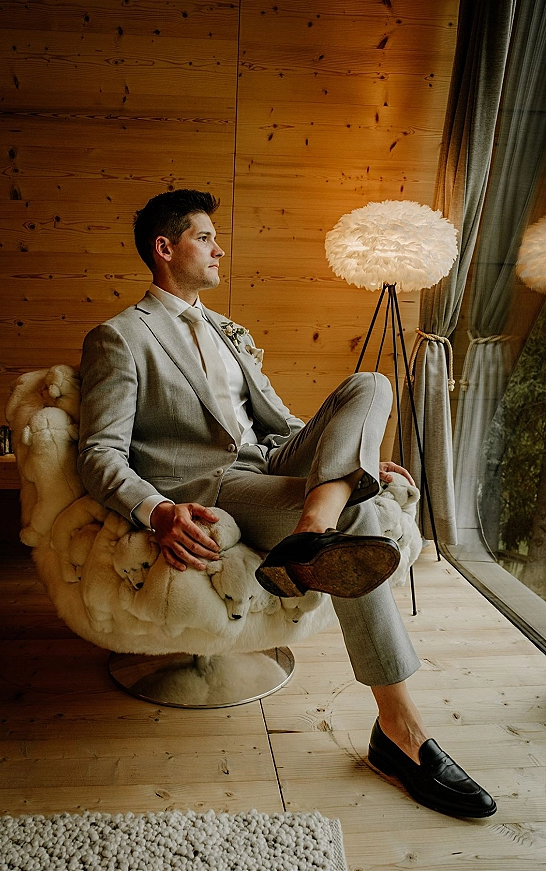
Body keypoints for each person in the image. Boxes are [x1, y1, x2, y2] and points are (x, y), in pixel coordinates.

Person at [78, 189, 496, 819]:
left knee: (372, 382)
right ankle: (401, 732)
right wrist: (156, 510)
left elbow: (280, 423)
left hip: (273, 459)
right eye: (204, 238)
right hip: (214, 484)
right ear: (165, 250)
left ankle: (313, 525)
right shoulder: (120, 338)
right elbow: (99, 453)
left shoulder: (228, 331)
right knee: (360, 519)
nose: (220, 249)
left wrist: (349, 460)